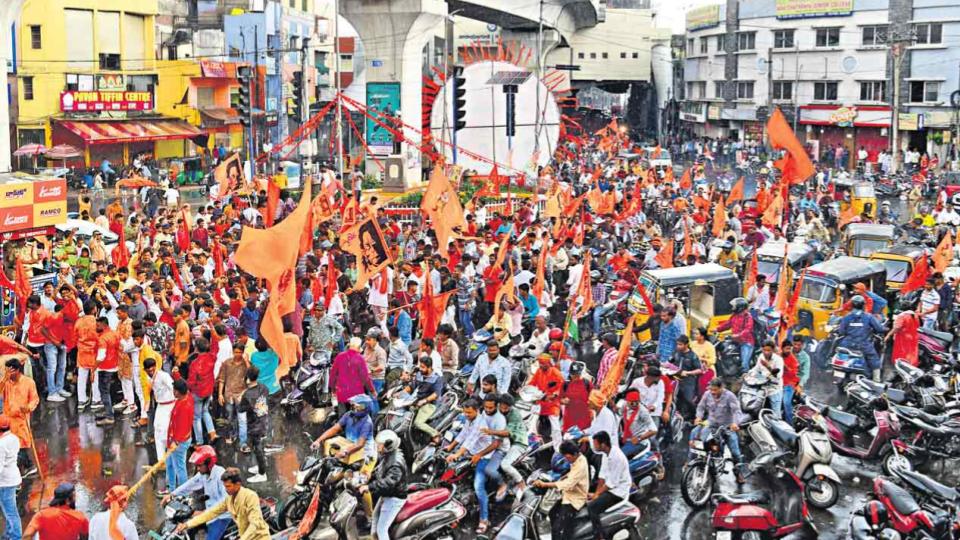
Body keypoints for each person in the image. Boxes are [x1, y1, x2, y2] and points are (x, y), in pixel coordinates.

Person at [442, 398, 503, 534]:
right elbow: (463, 434)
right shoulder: (470, 420)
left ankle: (484, 520)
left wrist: (457, 454)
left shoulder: (481, 423)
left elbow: (470, 440)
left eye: (469, 413)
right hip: (471, 453)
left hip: (485, 455)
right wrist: (450, 447)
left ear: (477, 411)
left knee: (478, 488)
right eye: (465, 412)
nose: (466, 415)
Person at [177, 467, 271, 539]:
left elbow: (255, 524)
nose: (226, 490)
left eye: (228, 486)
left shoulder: (250, 496)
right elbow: (210, 513)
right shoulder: (228, 499)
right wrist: (187, 524)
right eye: (225, 487)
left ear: (238, 484)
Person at [162, 446, 230, 540]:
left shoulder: (220, 475)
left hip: (222, 516)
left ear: (208, 463)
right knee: (187, 528)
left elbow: (226, 503)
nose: (197, 469)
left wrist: (203, 513)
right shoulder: (204, 474)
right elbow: (190, 484)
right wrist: (172, 494)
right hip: (209, 511)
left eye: (199, 465)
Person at [532, 440, 589, 539]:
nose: (566, 460)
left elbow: (567, 484)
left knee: (557, 529)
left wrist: (545, 484)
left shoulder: (580, 465)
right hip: (568, 494)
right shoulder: (578, 458)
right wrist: (564, 476)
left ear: (574, 454)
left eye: (567, 457)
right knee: (551, 513)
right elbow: (571, 473)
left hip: (575, 499)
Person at [691, 379, 744, 483]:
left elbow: (737, 412)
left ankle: (739, 473)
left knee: (735, 453)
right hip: (711, 424)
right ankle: (691, 462)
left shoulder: (730, 396)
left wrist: (735, 423)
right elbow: (700, 407)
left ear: (721, 388)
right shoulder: (707, 394)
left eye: (715, 390)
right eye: (711, 390)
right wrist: (698, 417)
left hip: (727, 427)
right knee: (698, 441)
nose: (713, 392)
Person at [587, 431, 631, 540]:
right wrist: (596, 494)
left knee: (592, 507)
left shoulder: (617, 457)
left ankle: (599, 536)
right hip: (610, 486)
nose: (594, 446)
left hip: (618, 491)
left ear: (603, 444)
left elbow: (612, 483)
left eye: (596, 444)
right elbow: (602, 475)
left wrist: (597, 495)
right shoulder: (606, 454)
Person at [364, 430, 407, 540]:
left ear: (388, 446)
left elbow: (388, 482)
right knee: (374, 517)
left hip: (394, 498)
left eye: (379, 445)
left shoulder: (396, 463)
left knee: (381, 529)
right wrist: (370, 475)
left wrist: (369, 487)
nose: (377, 447)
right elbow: (381, 470)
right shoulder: (387, 455)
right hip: (386, 494)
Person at [0, 359, 38, 477]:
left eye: (9, 371)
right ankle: (27, 466)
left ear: (17, 370)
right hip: (7, 419)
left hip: (21, 419)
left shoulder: (29, 382)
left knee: (20, 444)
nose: (7, 373)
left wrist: (28, 408)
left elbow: (35, 399)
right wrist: (4, 378)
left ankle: (25, 467)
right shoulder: (5, 382)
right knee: (11, 446)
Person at [310, 394, 375, 461]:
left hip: (365, 453)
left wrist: (345, 451)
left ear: (364, 409)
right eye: (353, 405)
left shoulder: (367, 423)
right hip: (350, 444)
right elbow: (335, 429)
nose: (353, 408)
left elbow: (360, 444)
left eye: (356, 407)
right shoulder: (349, 414)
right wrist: (318, 440)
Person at [837, 295, 885, 381]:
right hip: (863, 345)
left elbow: (841, 332)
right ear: (863, 305)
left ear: (852, 305)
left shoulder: (846, 317)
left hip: (847, 345)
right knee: (874, 359)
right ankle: (876, 381)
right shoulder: (868, 317)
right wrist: (885, 329)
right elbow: (879, 329)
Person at [22, 482, 89, 540]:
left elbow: (27, 536)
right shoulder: (80, 517)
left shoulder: (41, 515)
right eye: (74, 496)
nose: (75, 499)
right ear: (67, 501)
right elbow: (84, 538)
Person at [239, 366, 270, 483]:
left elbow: (240, 409)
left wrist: (239, 398)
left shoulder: (247, 394)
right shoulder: (263, 387)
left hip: (254, 426)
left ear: (247, 378)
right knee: (258, 447)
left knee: (258, 449)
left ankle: (262, 473)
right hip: (264, 421)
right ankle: (260, 467)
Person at [404, 356, 444, 445]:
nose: (420, 369)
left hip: (430, 404)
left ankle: (435, 434)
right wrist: (400, 393)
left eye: (423, 367)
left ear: (429, 367)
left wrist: (424, 401)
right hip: (417, 400)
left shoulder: (437, 379)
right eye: (420, 366)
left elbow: (435, 394)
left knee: (418, 423)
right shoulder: (419, 374)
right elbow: (411, 386)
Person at [164, 379, 194, 495]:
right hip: (175, 441)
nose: (173, 392)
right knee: (170, 464)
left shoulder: (184, 406)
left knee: (179, 468)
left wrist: (175, 442)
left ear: (177, 392)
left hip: (178, 443)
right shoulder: (186, 397)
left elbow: (183, 428)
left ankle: (183, 494)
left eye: (174, 390)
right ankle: (172, 489)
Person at [528, 353, 564, 443]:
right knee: (532, 420)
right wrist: (526, 389)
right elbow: (532, 383)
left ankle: (558, 444)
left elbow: (562, 387)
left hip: (552, 403)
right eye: (540, 363)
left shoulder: (555, 372)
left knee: (555, 426)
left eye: (543, 363)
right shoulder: (538, 371)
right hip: (540, 400)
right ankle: (531, 439)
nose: (541, 365)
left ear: (548, 363)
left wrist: (554, 395)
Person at [715, 297, 754, 373]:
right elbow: (728, 324)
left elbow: (747, 330)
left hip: (746, 341)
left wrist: (737, 335)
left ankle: (745, 375)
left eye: (734, 306)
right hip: (735, 340)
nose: (733, 308)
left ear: (740, 307)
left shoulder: (748, 317)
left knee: (744, 363)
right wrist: (717, 329)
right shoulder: (734, 315)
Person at [620, 389, 657, 457]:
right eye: (632, 402)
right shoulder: (624, 406)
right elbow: (618, 412)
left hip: (637, 442)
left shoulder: (643, 412)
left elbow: (654, 430)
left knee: (620, 455)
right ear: (627, 401)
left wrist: (639, 438)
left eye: (636, 402)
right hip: (624, 437)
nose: (635, 404)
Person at [0, 416, 20, 540]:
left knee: (10, 511)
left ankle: (15, 536)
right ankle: (9, 533)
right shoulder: (14, 438)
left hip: (4, 482)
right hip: (12, 478)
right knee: (9, 510)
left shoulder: (1, 444)